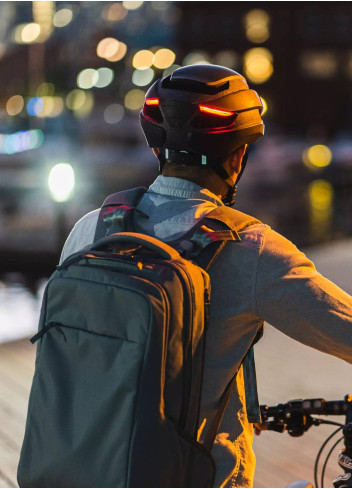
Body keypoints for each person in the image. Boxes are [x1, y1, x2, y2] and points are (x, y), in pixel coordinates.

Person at [60, 64, 352, 488]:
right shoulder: (250, 248)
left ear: (156, 144)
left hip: (87, 473)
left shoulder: (91, 230)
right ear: (238, 155)